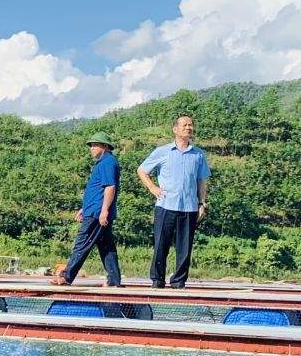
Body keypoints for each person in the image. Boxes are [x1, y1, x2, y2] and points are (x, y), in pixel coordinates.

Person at [137, 113, 210, 289]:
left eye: (190, 125)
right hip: (166, 205)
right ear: (175, 129)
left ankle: (178, 281)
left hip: (189, 207)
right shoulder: (162, 152)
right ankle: (157, 279)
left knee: (185, 246)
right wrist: (152, 188)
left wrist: (202, 203)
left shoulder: (198, 155)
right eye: (184, 125)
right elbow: (142, 170)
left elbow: (202, 181)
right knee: (161, 243)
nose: (188, 128)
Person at [53, 134, 121, 287]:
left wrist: (104, 211)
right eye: (91, 145)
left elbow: (110, 187)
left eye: (94, 145)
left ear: (104, 146)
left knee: (82, 243)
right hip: (94, 210)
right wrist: (84, 208)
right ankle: (114, 280)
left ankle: (67, 276)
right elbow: (96, 190)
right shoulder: (103, 163)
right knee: (106, 247)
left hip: (97, 213)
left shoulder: (107, 163)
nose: (91, 148)